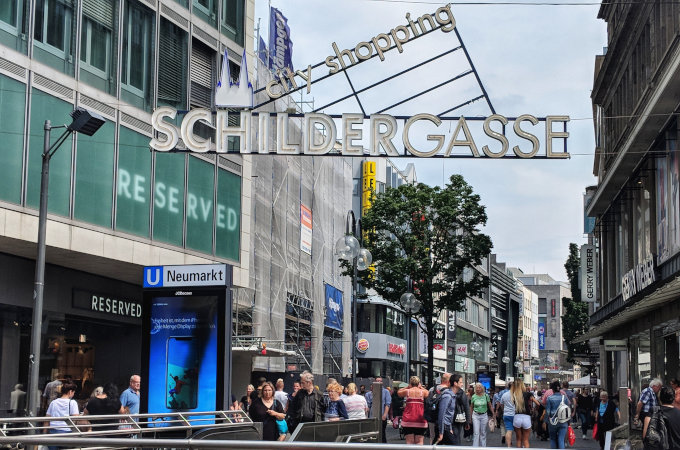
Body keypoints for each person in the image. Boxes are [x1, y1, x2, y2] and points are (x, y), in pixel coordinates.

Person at [44, 382, 79, 450]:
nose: (74, 394)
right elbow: (76, 418)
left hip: (53, 432)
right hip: (67, 432)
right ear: (70, 392)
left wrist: (44, 433)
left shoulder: (53, 402)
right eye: (74, 392)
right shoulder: (72, 402)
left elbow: (47, 419)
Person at [398, 376, 429, 445]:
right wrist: (421, 387)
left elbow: (399, 392)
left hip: (408, 419)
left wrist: (408, 387)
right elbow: (428, 393)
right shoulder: (423, 392)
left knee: (409, 441)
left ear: (410, 383)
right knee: (419, 441)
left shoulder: (407, 391)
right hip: (420, 419)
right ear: (419, 383)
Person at [512, 380, 540, 449]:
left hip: (517, 417)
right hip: (526, 417)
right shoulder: (528, 394)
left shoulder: (514, 394)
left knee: (518, 440)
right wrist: (534, 408)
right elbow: (538, 403)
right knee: (525, 440)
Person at [545, 380, 571, 449]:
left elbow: (548, 411)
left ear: (552, 389)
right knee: (561, 439)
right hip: (563, 421)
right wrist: (568, 421)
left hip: (552, 421)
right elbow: (568, 408)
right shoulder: (564, 398)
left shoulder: (549, 398)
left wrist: (545, 422)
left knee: (553, 439)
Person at [365, 376, 392, 443]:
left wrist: (385, 415)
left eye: (380, 381)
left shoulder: (386, 392)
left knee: (382, 435)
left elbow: (387, 404)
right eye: (377, 381)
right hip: (372, 417)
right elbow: (368, 406)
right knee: (372, 435)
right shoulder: (368, 394)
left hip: (382, 416)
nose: (379, 382)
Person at [470, 382, 493, 447]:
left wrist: (493, 414)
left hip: (484, 415)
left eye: (479, 387)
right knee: (476, 433)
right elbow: (471, 407)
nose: (478, 389)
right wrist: (470, 417)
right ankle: (475, 447)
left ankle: (483, 447)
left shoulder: (486, 396)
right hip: (475, 415)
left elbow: (490, 405)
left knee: (483, 432)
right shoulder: (473, 396)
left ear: (482, 388)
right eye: (476, 388)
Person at [437, 375, 457, 445]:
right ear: (449, 382)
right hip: (444, 425)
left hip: (443, 425)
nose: (462, 384)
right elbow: (442, 413)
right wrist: (441, 432)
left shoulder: (433, 389)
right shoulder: (447, 395)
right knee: (454, 446)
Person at [500, 380, 517, 447]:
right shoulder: (516, 394)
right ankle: (520, 444)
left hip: (506, 414)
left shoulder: (504, 394)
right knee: (518, 431)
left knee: (509, 430)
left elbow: (501, 404)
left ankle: (509, 446)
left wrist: (504, 410)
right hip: (515, 414)